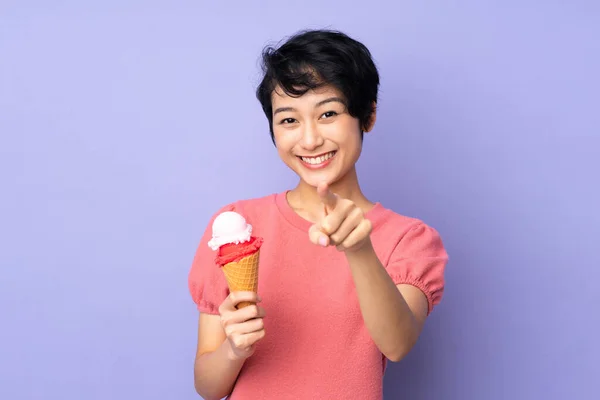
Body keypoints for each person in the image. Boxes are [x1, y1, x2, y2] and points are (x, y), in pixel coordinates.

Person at [188, 29, 448, 400]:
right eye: (289, 120)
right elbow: (208, 387)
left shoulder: (410, 239)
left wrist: (359, 249)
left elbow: (397, 344)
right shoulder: (236, 227)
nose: (309, 140)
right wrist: (235, 349)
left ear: (368, 115)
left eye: (328, 113)